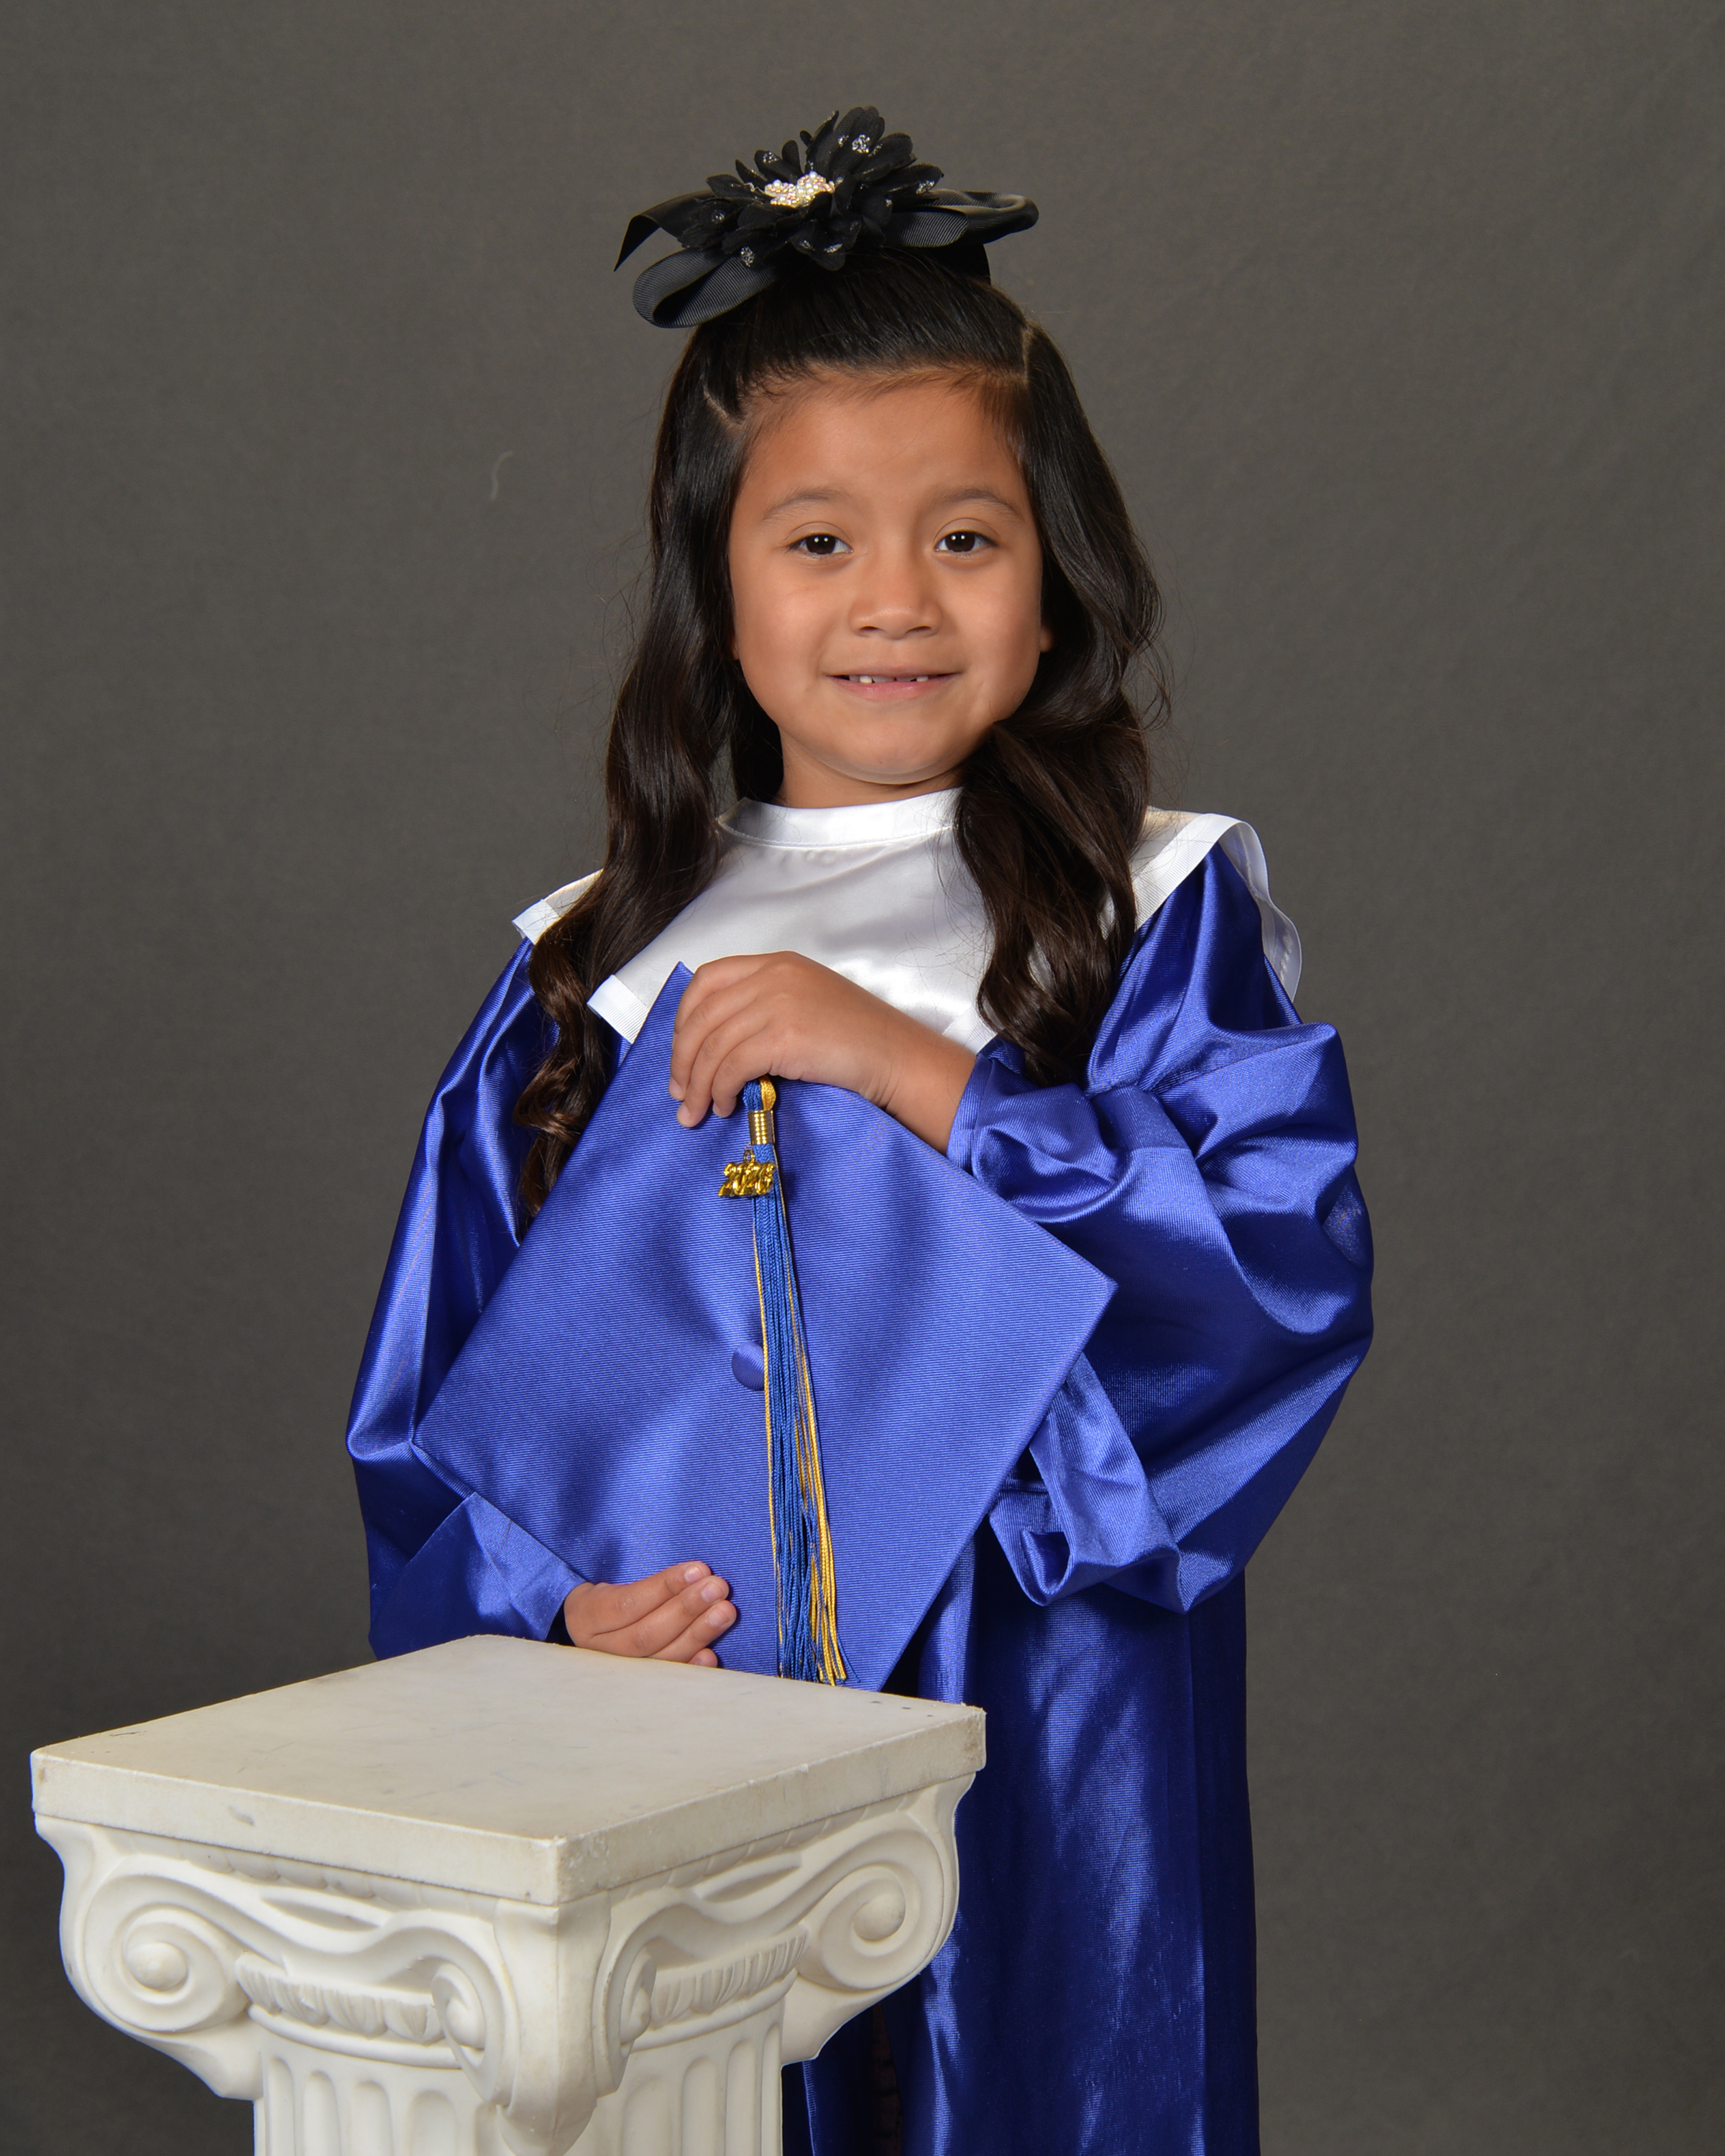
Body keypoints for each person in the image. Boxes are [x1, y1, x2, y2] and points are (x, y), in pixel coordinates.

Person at [347, 108, 1374, 2156]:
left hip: (1047, 1716)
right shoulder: (590, 971)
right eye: (818, 542)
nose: (896, 600)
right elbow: (442, 1416)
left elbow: (1269, 1283)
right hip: (697, 1724)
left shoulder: (1139, 915)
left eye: (966, 539)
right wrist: (550, 1612)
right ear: (714, 591)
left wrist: (926, 1078)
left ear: (1054, 577)